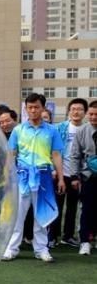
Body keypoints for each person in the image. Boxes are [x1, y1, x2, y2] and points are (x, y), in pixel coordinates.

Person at [2, 93, 65, 263]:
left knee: (41, 214)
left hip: (43, 176)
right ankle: (11, 248)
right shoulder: (18, 130)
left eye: (36, 107)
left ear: (43, 108)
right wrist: (7, 176)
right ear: (26, 109)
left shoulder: (52, 130)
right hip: (22, 177)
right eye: (30, 107)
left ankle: (41, 249)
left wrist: (60, 178)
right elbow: (11, 154)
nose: (33, 110)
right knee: (17, 215)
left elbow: (56, 154)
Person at [50, 98, 87, 249]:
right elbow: (51, 150)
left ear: (84, 112)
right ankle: (53, 236)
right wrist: (53, 169)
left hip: (77, 175)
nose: (76, 112)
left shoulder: (87, 129)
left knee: (72, 207)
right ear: (69, 111)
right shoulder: (59, 128)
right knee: (56, 206)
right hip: (59, 173)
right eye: (73, 109)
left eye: (80, 109)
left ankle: (68, 236)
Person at [67, 99, 97, 255]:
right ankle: (85, 241)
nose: (93, 117)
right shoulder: (82, 131)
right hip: (88, 176)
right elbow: (74, 155)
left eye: (96, 115)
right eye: (91, 114)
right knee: (86, 209)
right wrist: (74, 176)